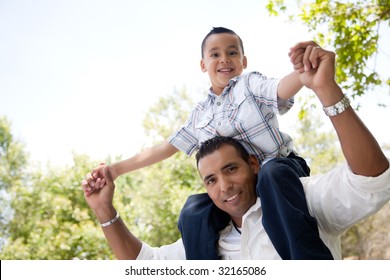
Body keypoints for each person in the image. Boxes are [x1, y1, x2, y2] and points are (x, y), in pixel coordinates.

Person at [81, 42, 390, 260]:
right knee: (192, 209)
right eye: (211, 179)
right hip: (253, 183)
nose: (223, 184)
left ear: (244, 61)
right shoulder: (200, 114)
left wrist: (311, 77)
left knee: (273, 174)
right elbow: (165, 148)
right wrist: (112, 180)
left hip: (282, 173)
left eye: (230, 170)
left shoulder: (250, 87)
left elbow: (371, 181)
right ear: (203, 65)